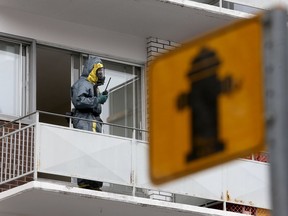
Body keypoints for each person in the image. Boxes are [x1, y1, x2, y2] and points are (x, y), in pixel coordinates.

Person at [71, 55, 108, 190]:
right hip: (84, 121)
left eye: (101, 72)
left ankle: (95, 181)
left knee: (96, 153)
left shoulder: (94, 87)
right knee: (85, 151)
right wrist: (97, 100)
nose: (100, 74)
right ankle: (84, 180)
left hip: (93, 123)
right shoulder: (82, 84)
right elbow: (79, 101)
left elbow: (96, 107)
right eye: (98, 71)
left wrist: (100, 98)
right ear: (92, 69)